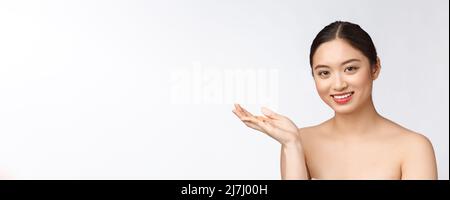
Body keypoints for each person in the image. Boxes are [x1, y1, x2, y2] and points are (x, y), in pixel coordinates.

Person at [232, 21, 437, 180]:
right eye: (324, 73)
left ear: (375, 68)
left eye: (350, 69)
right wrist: (292, 145)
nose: (338, 84)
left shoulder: (413, 147)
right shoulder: (301, 142)